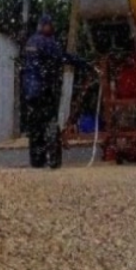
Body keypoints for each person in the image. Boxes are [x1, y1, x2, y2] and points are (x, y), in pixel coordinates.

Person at [20, 14, 89, 168]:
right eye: (50, 25)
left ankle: (37, 161)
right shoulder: (48, 42)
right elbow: (62, 57)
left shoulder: (30, 42)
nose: (51, 28)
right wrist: (82, 63)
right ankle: (53, 159)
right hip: (45, 89)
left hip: (29, 91)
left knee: (35, 127)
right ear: (46, 26)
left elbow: (26, 65)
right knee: (50, 122)